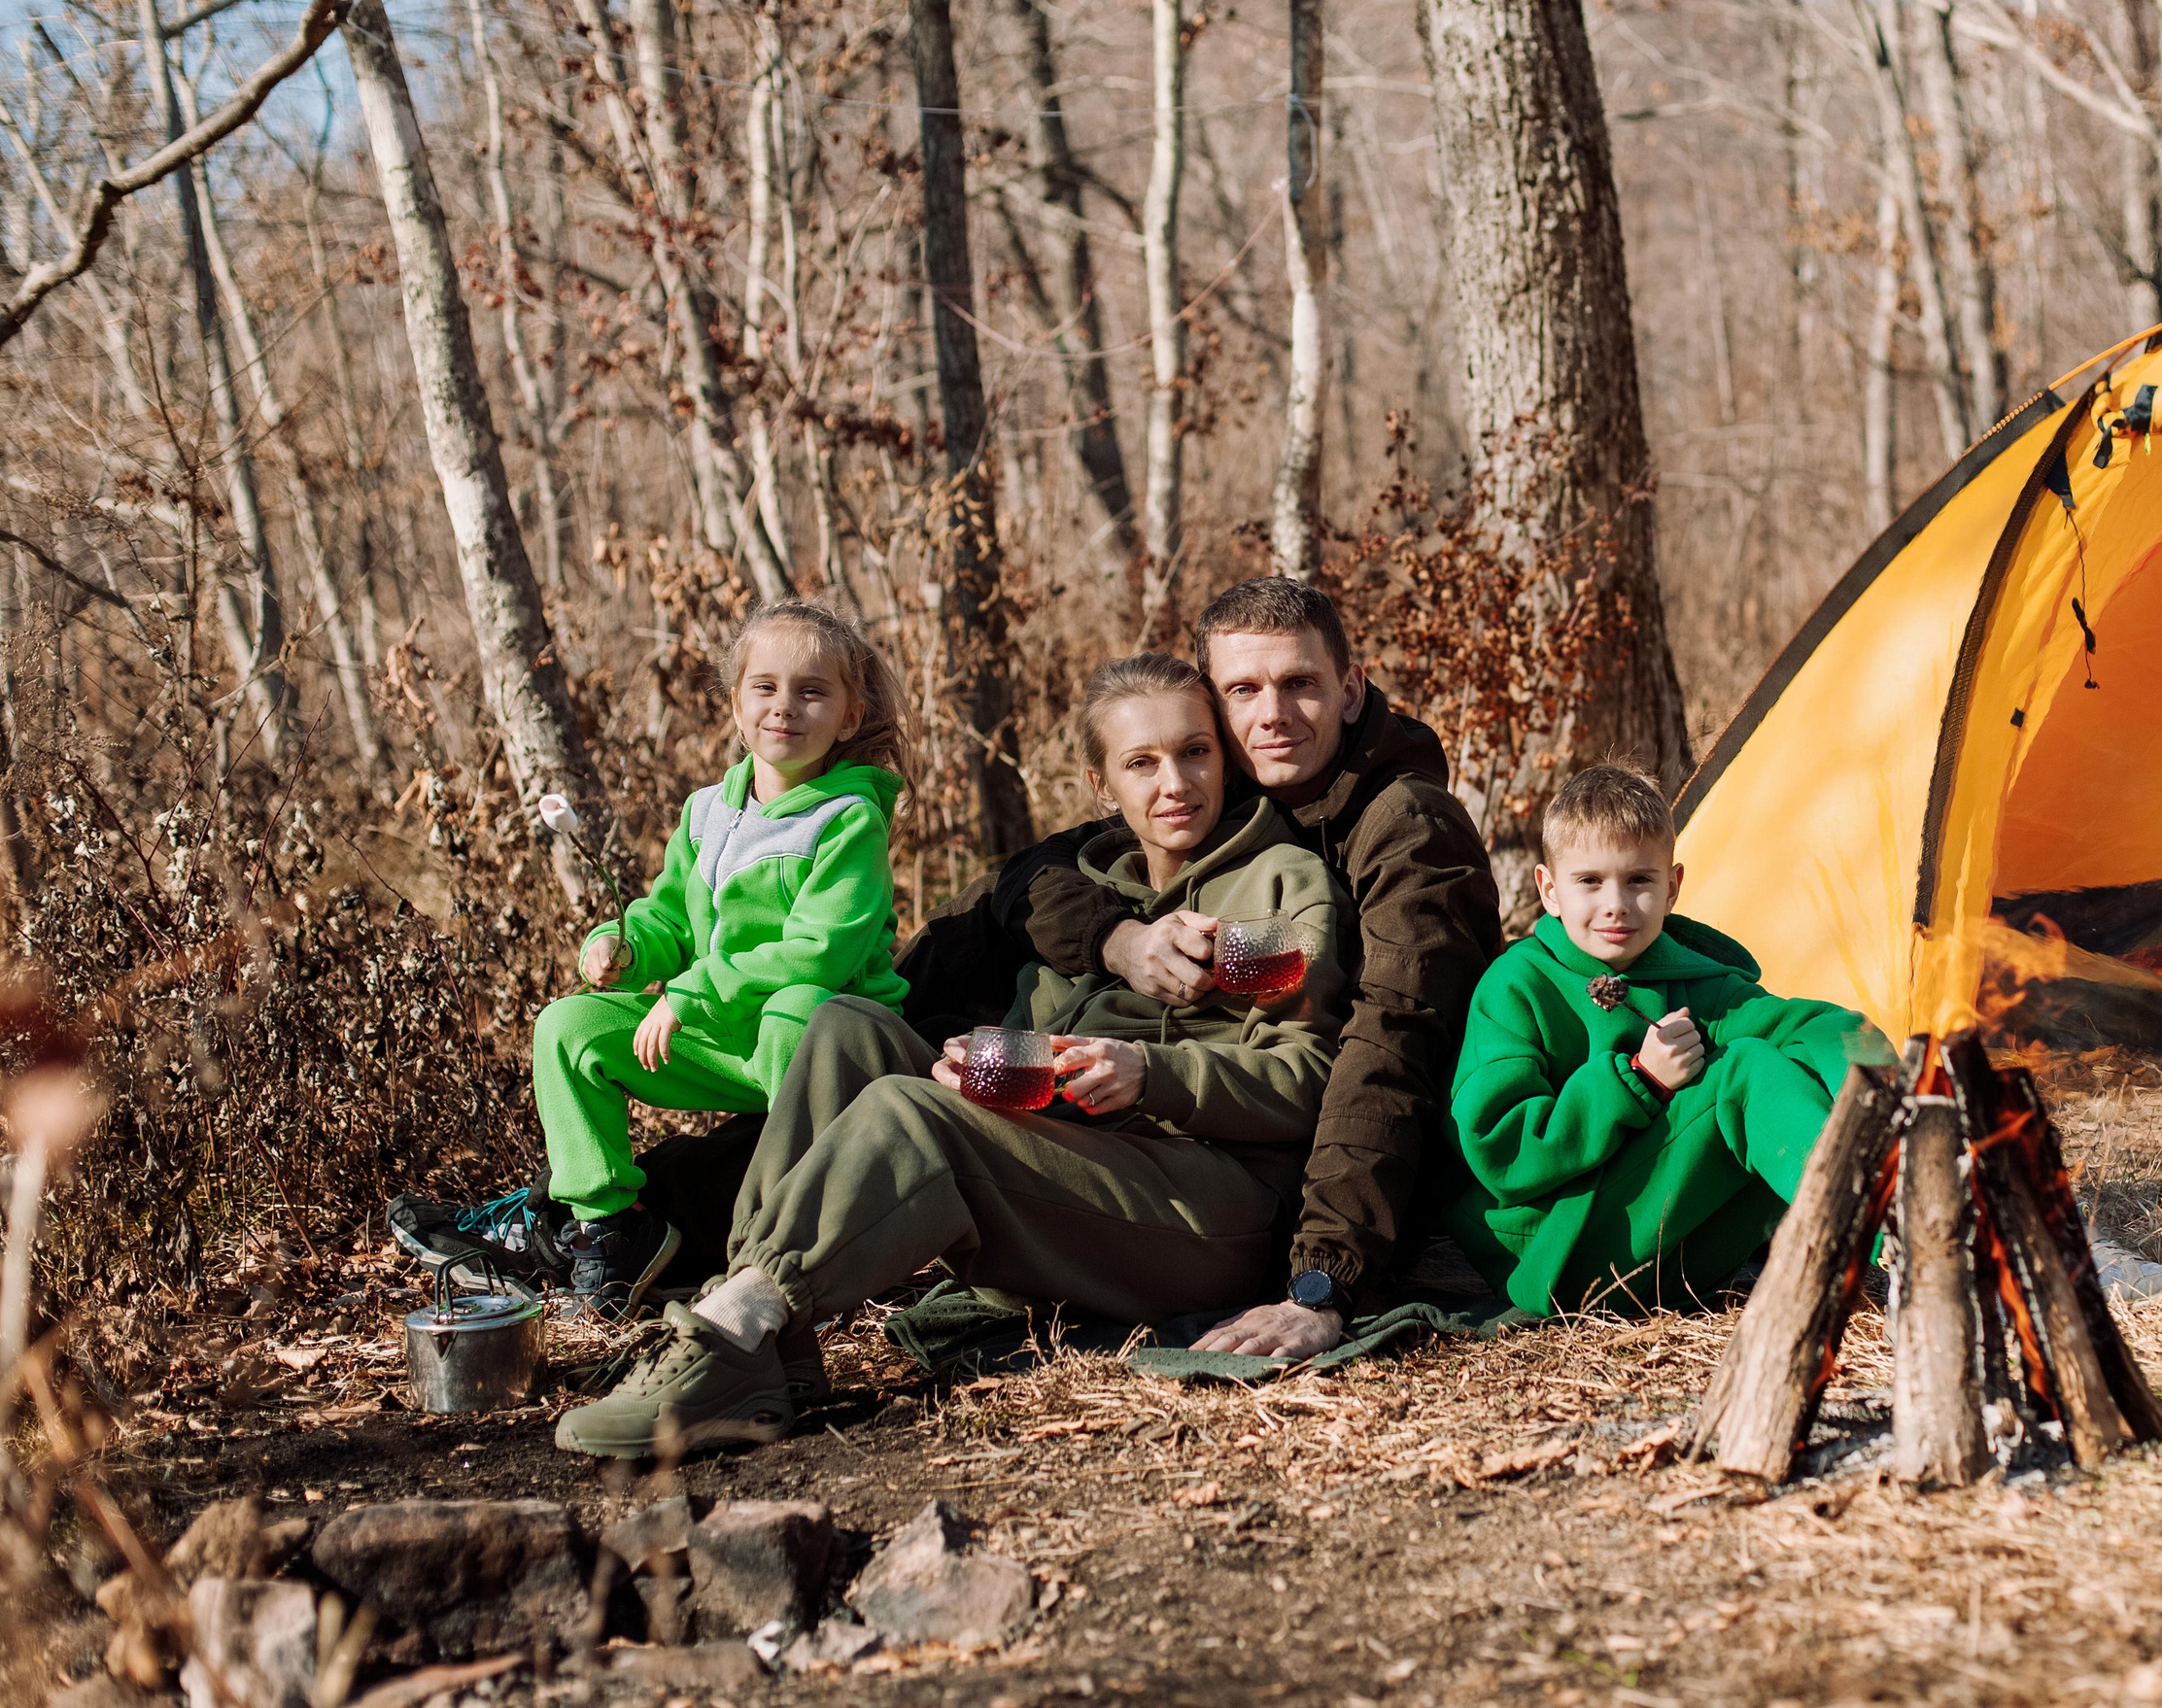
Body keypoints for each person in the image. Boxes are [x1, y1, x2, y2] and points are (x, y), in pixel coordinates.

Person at [552, 653, 1354, 1456]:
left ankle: (736, 1330)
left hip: (1205, 1207)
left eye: (1195, 752)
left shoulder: (1279, 888)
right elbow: (1073, 1066)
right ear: (1101, 787)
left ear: (1225, 755)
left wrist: (1160, 1074)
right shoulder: (1094, 891)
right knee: (845, 1029)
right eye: (1141, 763)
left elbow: (1313, 1077)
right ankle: (767, 1343)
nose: (1174, 783)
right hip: (1092, 1164)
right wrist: (1002, 1060)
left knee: (912, 1114)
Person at [1004, 578, 1504, 1359]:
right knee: (865, 1032)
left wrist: (1324, 1283)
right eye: (1243, 689)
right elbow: (1025, 880)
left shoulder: (1406, 828)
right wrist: (1117, 940)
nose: (1271, 714)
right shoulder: (1219, 785)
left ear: (1350, 690)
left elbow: (1391, 1050)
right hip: (1189, 1144)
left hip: (1362, 1183)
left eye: (1299, 683)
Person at [387, 600, 910, 1318]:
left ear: (849, 717)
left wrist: (688, 996)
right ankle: (609, 1231)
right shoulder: (706, 814)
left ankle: (796, 1243)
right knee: (568, 1028)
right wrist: (626, 951)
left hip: (823, 1043)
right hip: (725, 1038)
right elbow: (670, 917)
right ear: (734, 703)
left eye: (811, 691)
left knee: (798, 1008)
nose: (784, 707)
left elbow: (818, 951)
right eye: (764, 687)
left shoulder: (850, 819)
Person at [1441, 764, 1875, 1315]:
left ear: (1672, 887)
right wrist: (1638, 1080)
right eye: (1590, 881)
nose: (1616, 904)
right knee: (1741, 1073)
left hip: (1674, 1253)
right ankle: (1885, 1233)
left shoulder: (1691, 979)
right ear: (1549, 891)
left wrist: (1895, 1073)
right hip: (1560, 1255)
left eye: (1639, 880)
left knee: (1799, 1059)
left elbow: (1803, 1025)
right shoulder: (1516, 985)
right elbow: (1501, 1150)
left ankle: (1906, 1213)